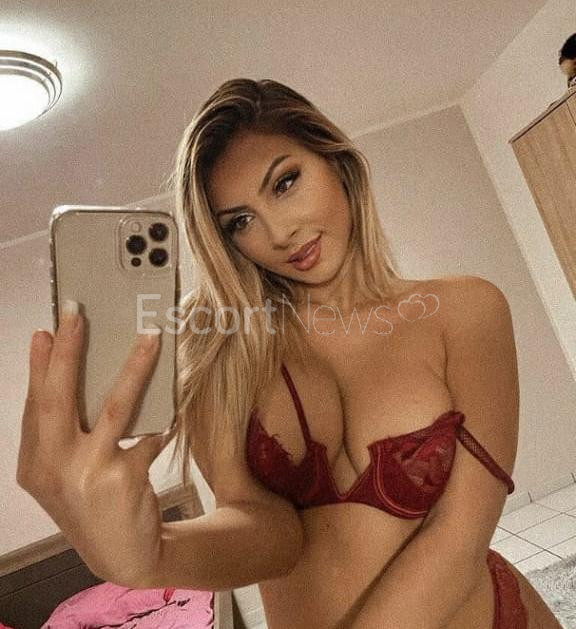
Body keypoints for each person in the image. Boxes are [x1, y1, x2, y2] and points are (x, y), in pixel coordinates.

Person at [17, 79, 562, 629]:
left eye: (285, 183)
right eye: (240, 221)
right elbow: (265, 529)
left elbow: (460, 537)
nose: (279, 233)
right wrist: (152, 553)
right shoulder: (218, 348)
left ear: (335, 160)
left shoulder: (465, 310)